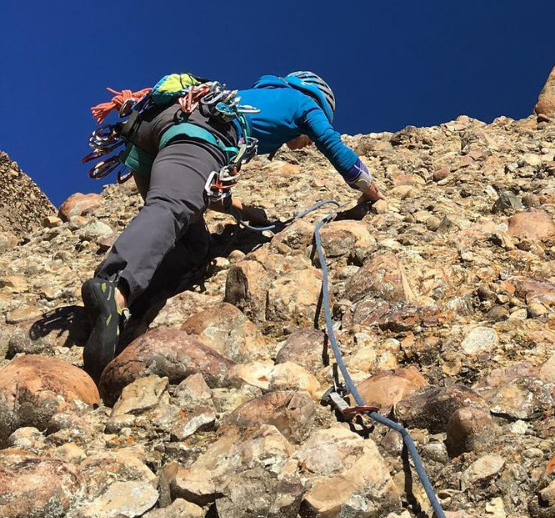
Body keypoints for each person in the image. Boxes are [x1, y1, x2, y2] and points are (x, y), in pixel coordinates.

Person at [81, 71, 381, 379]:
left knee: (192, 243)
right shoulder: (305, 103)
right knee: (172, 206)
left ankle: (130, 302)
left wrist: (244, 211)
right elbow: (333, 145)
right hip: (198, 130)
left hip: (155, 127)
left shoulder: (258, 97)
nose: (305, 145)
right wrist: (370, 190)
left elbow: (201, 190)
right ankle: (115, 289)